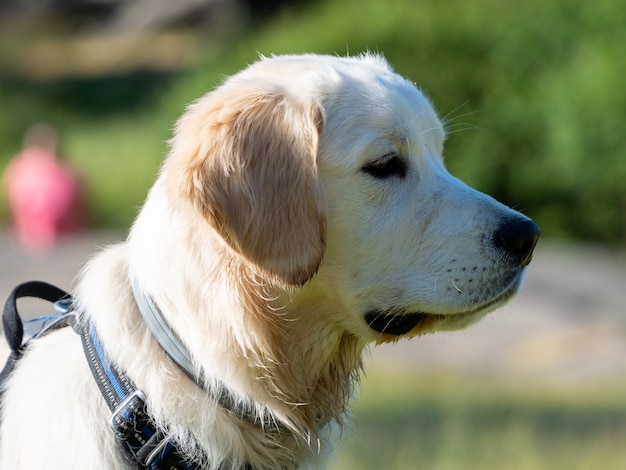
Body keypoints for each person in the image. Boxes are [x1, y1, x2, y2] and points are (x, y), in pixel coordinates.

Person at [2, 124, 82, 253]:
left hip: (25, 240)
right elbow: (80, 211)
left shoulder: (16, 168)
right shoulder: (68, 170)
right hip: (62, 241)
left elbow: (9, 207)